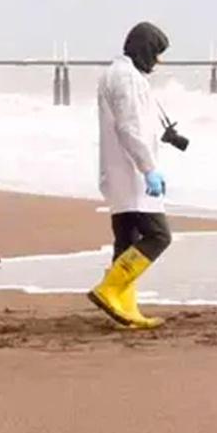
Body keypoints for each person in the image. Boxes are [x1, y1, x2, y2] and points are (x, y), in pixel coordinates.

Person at [86, 21, 175, 330]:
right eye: (156, 53)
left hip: (119, 172)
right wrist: (149, 168)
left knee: (126, 240)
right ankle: (110, 289)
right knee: (158, 236)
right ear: (145, 49)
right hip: (131, 172)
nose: (157, 61)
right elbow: (130, 127)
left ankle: (124, 308)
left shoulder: (119, 74)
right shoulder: (126, 78)